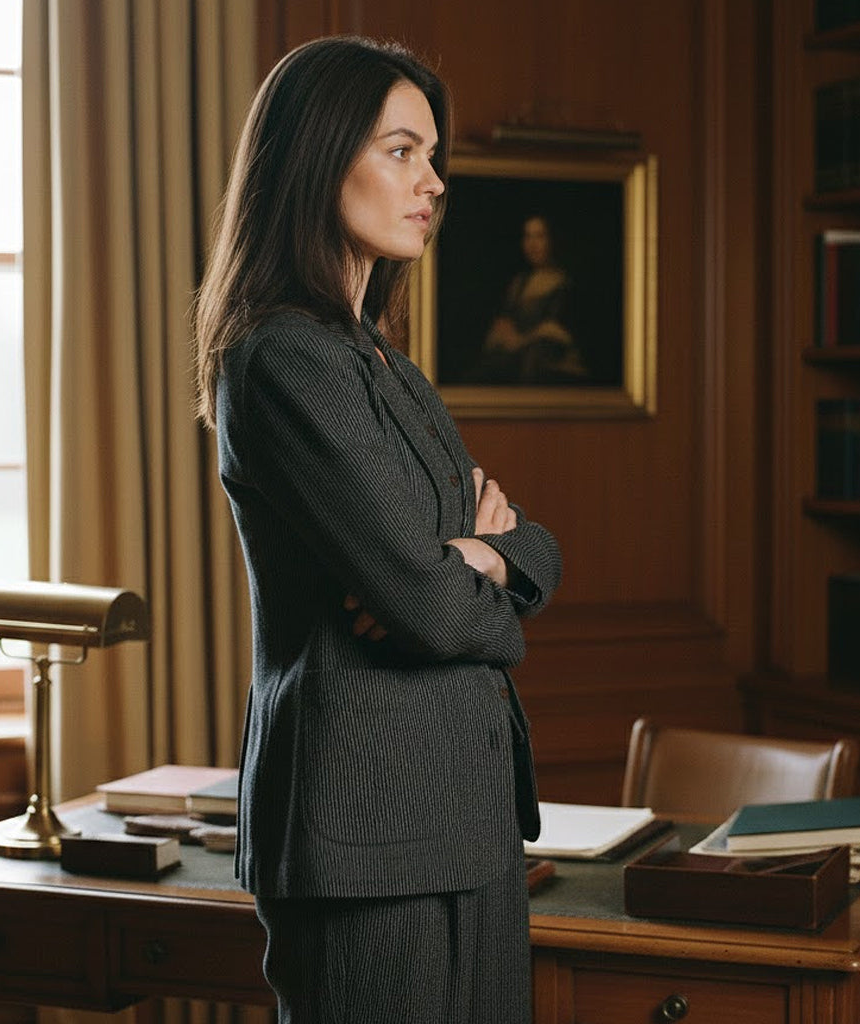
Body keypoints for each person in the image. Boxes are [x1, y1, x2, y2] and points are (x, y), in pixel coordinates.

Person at [194, 35, 562, 1024]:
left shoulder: (384, 366)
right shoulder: (282, 360)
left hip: (468, 824)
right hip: (367, 836)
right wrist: (456, 569)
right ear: (318, 159)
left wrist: (482, 554)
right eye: (401, 151)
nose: (431, 181)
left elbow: (532, 546)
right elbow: (433, 610)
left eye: (431, 156)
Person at [479, 213, 588, 384]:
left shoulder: (566, 283)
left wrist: (524, 339)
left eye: (539, 236)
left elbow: (556, 332)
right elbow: (504, 323)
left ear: (552, 240)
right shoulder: (519, 283)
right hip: (518, 357)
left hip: (551, 361)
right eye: (528, 236)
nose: (532, 244)